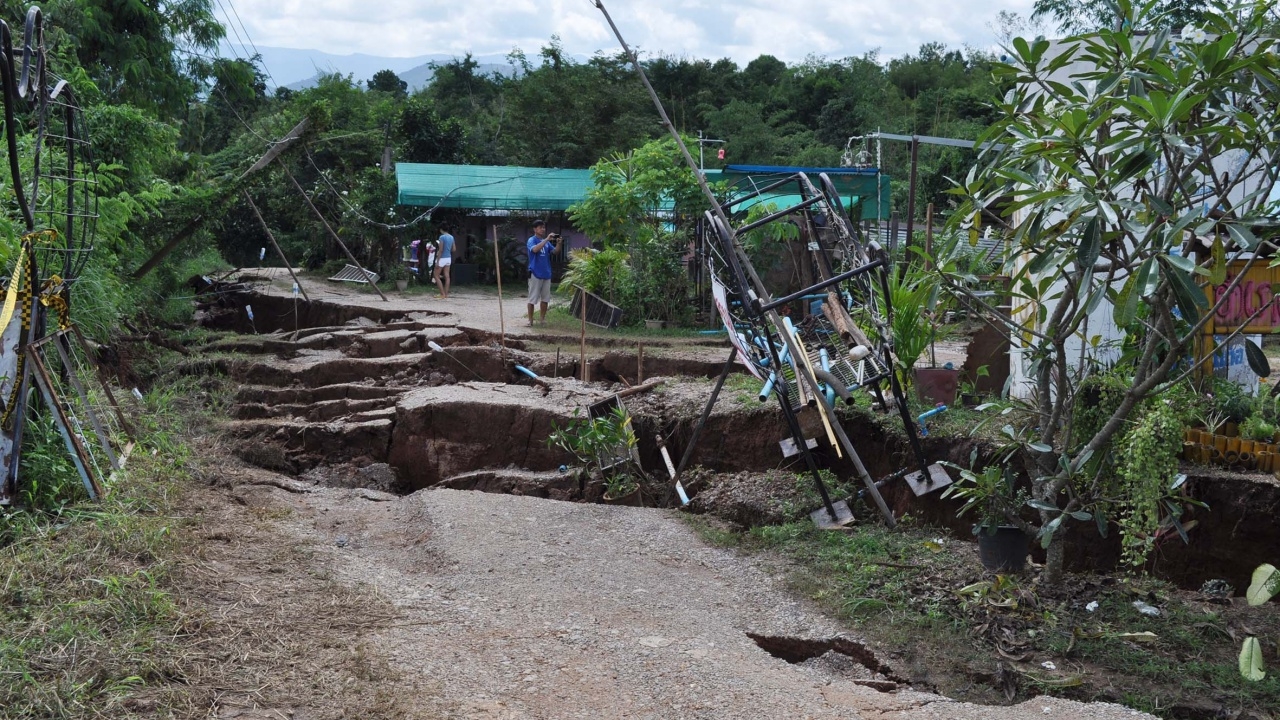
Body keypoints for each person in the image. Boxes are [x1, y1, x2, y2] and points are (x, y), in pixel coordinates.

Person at [526, 219, 561, 326]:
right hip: (535, 273)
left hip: (546, 273)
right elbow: (535, 250)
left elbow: (555, 251)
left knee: (545, 299)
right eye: (540, 227)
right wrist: (546, 239)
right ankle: (530, 320)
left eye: (544, 227)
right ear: (535, 229)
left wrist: (559, 244)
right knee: (532, 298)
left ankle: (542, 319)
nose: (543, 229)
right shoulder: (531, 240)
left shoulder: (547, 243)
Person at [433, 226, 455, 299]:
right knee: (447, 276)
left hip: (442, 258)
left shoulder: (442, 237)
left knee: (436, 275)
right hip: (448, 258)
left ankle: (442, 294)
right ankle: (446, 294)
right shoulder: (451, 237)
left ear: (441, 229)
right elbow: (454, 249)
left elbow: (441, 250)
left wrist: (437, 261)